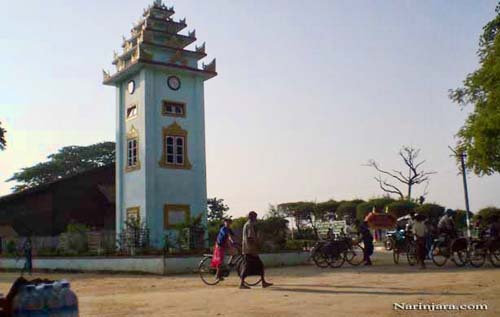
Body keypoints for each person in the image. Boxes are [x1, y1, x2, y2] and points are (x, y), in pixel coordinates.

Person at [239, 211, 273, 289]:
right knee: (249, 266)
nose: (256, 219)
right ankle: (242, 284)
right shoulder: (249, 225)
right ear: (252, 217)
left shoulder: (247, 225)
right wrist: (257, 245)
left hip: (249, 249)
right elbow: (250, 238)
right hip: (250, 250)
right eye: (255, 217)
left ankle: (263, 282)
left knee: (257, 266)